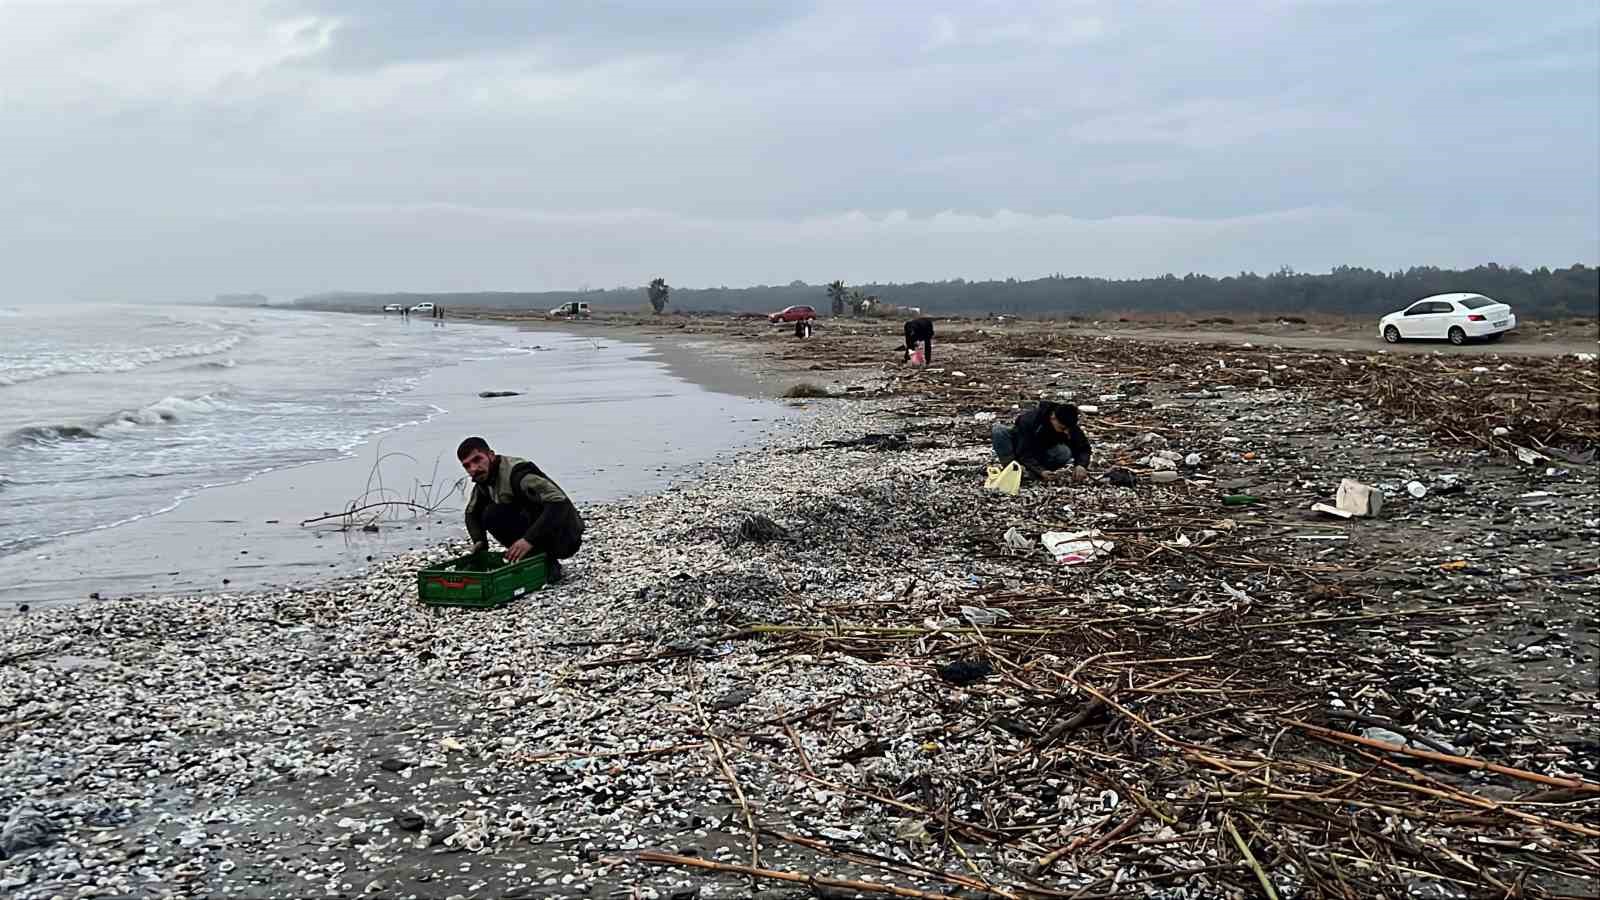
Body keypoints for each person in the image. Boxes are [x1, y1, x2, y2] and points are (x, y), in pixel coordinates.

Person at [457, 436, 584, 584]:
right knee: (488, 513)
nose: (473, 468)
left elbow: (559, 504)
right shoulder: (484, 480)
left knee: (493, 514)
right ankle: (535, 560)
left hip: (565, 536)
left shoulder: (519, 473)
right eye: (467, 466)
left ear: (491, 455)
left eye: (477, 460)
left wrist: (528, 539)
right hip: (537, 531)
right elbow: (471, 513)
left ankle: (547, 562)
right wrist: (479, 541)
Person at [991, 401, 1092, 483]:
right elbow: (1024, 451)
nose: (1066, 431)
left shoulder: (1067, 423)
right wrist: (1040, 471)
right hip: (1019, 450)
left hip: (1042, 453)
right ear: (1053, 417)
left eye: (1068, 429)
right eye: (1062, 428)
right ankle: (1012, 470)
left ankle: (1036, 474)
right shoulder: (1029, 420)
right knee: (999, 431)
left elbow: (1083, 447)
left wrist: (1081, 465)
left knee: (1064, 452)